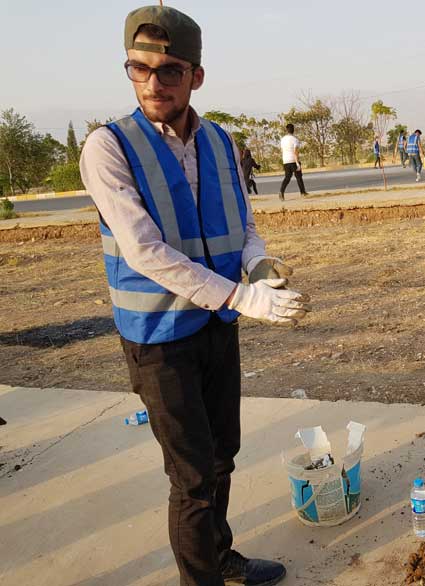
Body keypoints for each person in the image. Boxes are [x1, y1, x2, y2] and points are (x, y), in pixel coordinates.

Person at [79, 6, 310, 585]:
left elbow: (243, 220)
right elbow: (143, 250)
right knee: (190, 478)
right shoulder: (109, 148)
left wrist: (258, 264)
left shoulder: (221, 143)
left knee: (221, 457)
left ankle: (220, 555)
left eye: (170, 70)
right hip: (158, 338)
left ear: (196, 76)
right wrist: (241, 297)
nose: (154, 83)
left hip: (216, 328)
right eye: (139, 68)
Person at [279, 123, 308, 200]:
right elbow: (295, 152)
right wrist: (297, 163)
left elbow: (282, 150)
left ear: (286, 130)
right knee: (298, 177)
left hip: (285, 161)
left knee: (287, 177)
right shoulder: (295, 139)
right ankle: (302, 193)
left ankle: (281, 192)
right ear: (293, 130)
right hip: (293, 160)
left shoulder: (282, 140)